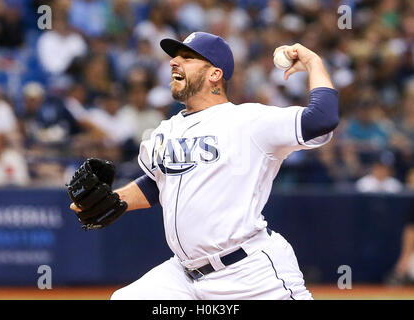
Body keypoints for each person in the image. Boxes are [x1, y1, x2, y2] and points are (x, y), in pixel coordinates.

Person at [70, 32, 339, 300]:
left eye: (187, 57)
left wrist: (313, 63)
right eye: (175, 56)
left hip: (250, 273)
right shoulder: (167, 129)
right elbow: (157, 183)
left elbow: (322, 118)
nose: (174, 61)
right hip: (183, 275)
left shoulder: (249, 120)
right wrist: (117, 199)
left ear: (214, 75)